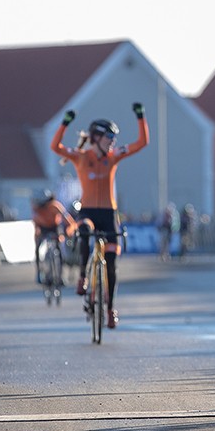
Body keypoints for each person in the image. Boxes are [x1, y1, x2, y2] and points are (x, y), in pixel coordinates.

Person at [50, 104, 150, 329]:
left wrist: (140, 117)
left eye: (114, 137)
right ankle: (83, 277)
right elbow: (54, 146)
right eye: (109, 137)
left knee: (112, 264)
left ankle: (110, 308)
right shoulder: (81, 157)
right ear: (96, 138)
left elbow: (142, 142)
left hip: (108, 213)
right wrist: (65, 122)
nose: (113, 141)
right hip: (88, 212)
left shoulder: (113, 157)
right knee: (84, 230)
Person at [31, 189, 77, 286]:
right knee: (37, 248)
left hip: (54, 227)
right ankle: (39, 272)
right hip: (42, 228)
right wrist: (37, 235)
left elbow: (68, 220)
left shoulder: (55, 206)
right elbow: (36, 224)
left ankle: (60, 276)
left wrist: (69, 230)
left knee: (59, 249)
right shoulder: (36, 208)